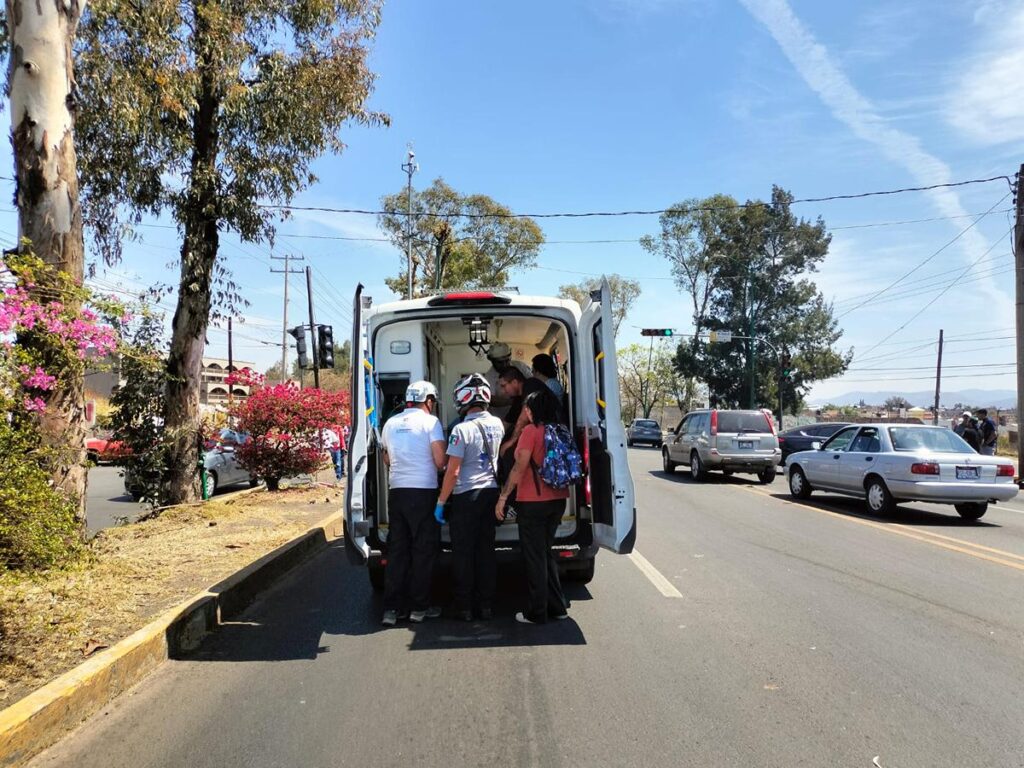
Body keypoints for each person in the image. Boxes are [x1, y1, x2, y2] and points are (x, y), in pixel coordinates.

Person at [495, 387, 570, 625]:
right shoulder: (560, 430)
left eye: (527, 407)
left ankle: (537, 612)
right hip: (558, 500)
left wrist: (503, 496)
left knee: (534, 558)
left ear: (531, 410)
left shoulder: (530, 432)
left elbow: (519, 468)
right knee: (545, 553)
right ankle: (557, 607)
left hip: (533, 503)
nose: (525, 410)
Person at [436, 373, 505, 621]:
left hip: (466, 496)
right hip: (491, 494)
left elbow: (452, 471)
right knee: (486, 550)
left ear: (462, 398)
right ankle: (486, 605)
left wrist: (441, 502)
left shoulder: (460, 430)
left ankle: (464, 607)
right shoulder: (498, 424)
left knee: (463, 553)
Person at [379, 381, 447, 626]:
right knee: (422, 550)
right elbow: (440, 461)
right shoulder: (431, 423)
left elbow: (387, 458)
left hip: (397, 492)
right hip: (423, 492)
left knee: (398, 550)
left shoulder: (390, 423)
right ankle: (419, 607)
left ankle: (391, 609)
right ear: (428, 400)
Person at [483, 342, 532, 418]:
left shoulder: (520, 366)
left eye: (507, 360)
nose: (505, 364)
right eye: (500, 362)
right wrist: (514, 402)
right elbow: (490, 399)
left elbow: (531, 382)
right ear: (492, 361)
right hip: (503, 417)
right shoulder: (488, 378)